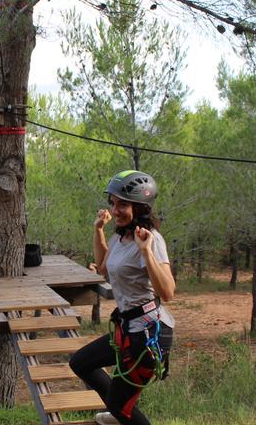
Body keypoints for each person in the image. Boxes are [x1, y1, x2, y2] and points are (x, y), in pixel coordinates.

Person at [69, 170, 176, 425]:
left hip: (149, 333)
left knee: (120, 406)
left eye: (123, 204)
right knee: (81, 363)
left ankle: (119, 411)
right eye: (113, 203)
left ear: (140, 207)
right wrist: (98, 231)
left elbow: (168, 292)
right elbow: (104, 267)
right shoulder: (120, 234)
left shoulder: (151, 240)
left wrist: (147, 252)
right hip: (127, 327)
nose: (115, 210)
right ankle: (119, 411)